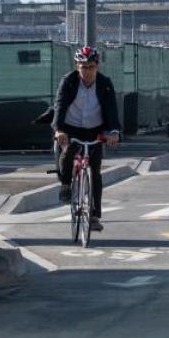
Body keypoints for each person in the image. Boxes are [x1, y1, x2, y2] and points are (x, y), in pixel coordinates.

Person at [52, 46, 121, 232]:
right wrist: (59, 130)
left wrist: (113, 132)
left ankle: (94, 216)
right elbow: (59, 105)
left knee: (95, 172)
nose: (86, 71)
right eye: (83, 66)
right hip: (71, 128)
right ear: (77, 66)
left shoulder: (105, 83)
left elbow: (112, 110)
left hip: (94, 130)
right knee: (67, 155)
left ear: (97, 66)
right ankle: (66, 184)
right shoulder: (69, 81)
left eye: (90, 67)